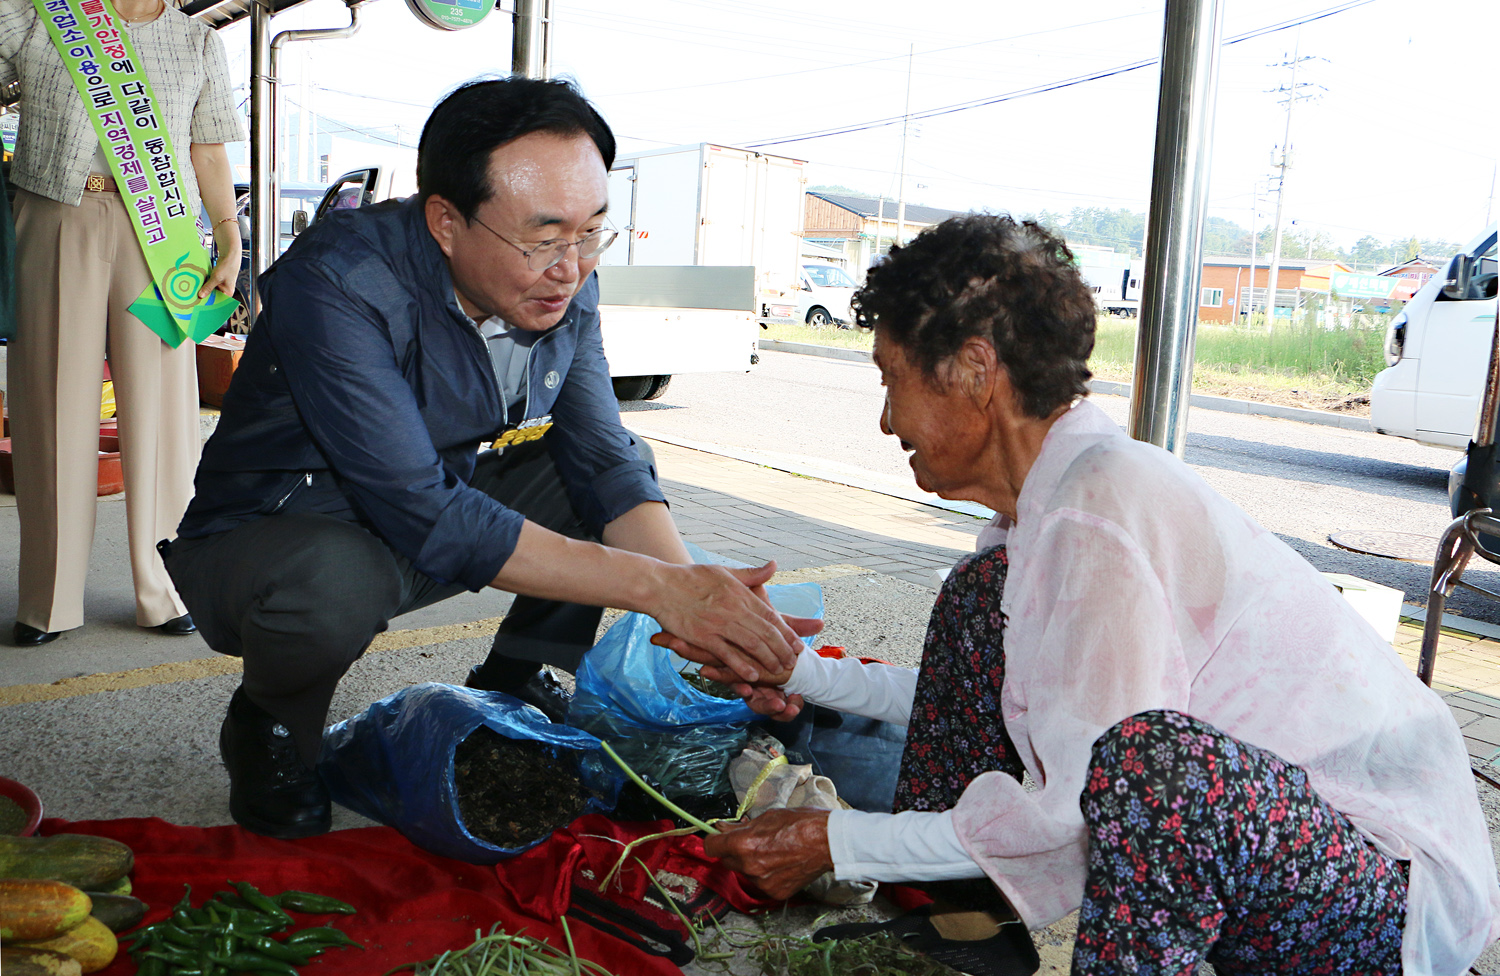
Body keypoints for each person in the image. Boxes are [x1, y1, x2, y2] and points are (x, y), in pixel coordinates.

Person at [671, 215, 1500, 975]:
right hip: (1273, 840)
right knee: (975, 605)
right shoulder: (1042, 509)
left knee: (1152, 768)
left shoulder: (1094, 518)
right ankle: (965, 928)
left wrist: (836, 841)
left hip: (1379, 894)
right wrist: (804, 673)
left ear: (975, 370)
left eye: (891, 380)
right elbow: (1017, 702)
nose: (888, 421)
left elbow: (1078, 803)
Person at [160, 77, 810, 840]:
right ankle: (270, 727)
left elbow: (603, 456)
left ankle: (513, 676)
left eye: (591, 231)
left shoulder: (564, 280)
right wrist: (660, 591)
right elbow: (423, 509)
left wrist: (697, 602)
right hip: (278, 534)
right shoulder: (340, 282)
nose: (570, 266)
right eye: (542, 238)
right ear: (445, 220)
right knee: (335, 579)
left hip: (434, 502)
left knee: (596, 472)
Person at [2, 0, 243, 647]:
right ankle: (47, 600)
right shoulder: (36, 16)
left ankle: (165, 589)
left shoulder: (196, 42)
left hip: (163, 236)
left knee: (164, 414)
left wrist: (229, 237)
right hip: (56, 213)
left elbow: (208, 151)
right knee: (50, 404)